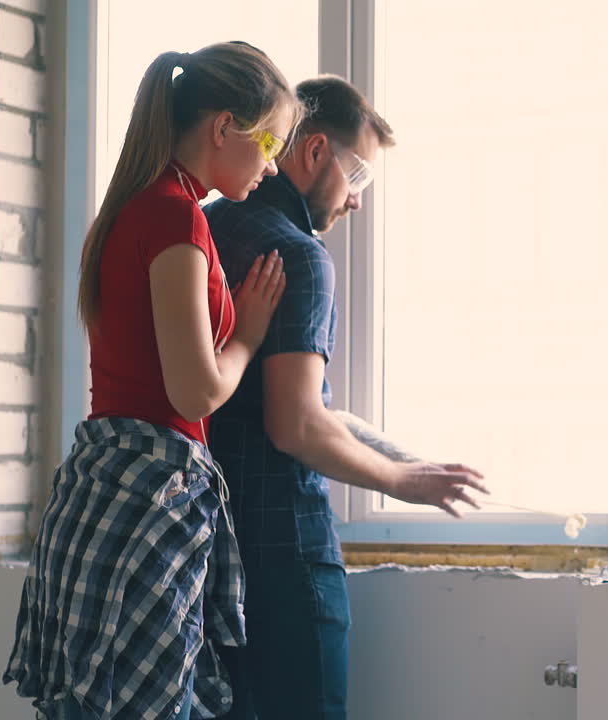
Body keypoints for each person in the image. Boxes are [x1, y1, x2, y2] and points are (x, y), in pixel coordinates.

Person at [3, 41, 299, 720]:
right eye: (270, 141)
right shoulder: (174, 214)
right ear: (224, 127)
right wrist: (248, 335)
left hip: (102, 489)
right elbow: (193, 392)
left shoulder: (130, 210)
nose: (273, 163)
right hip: (147, 499)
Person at [204, 75, 488, 720]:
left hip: (205, 552)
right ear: (313, 153)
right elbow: (295, 424)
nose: (357, 201)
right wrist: (401, 480)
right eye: (357, 178)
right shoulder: (299, 255)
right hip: (281, 550)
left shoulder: (207, 226)